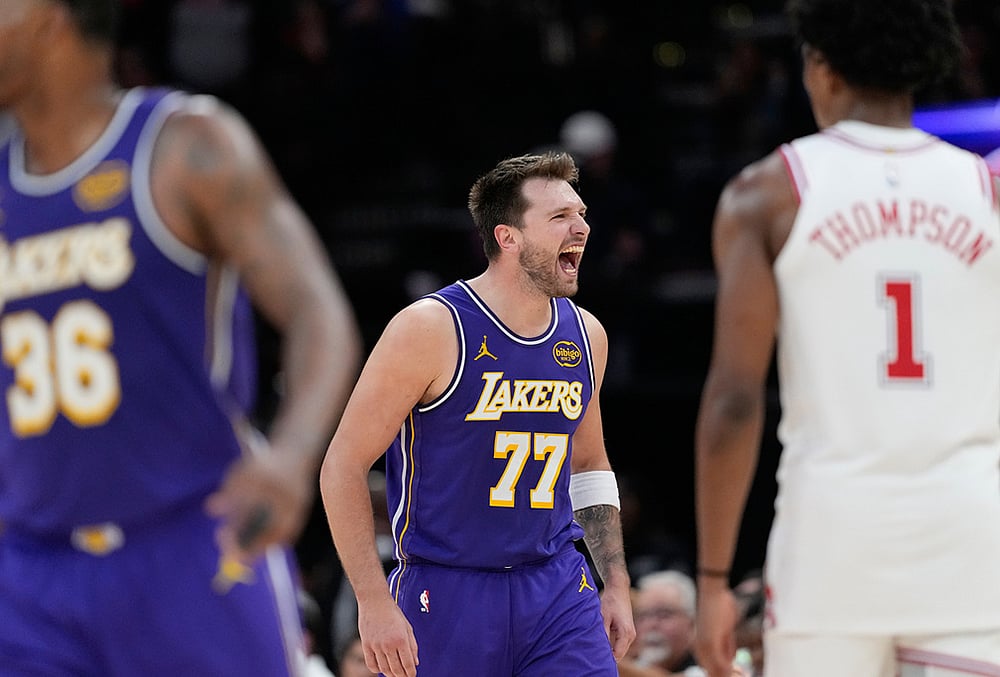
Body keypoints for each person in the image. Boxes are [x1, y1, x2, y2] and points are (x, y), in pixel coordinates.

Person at [0, 1, 362, 675]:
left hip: (189, 541)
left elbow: (318, 310)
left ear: (50, 18)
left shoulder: (184, 145)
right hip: (32, 567)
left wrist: (291, 457)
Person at [693, 1, 1000, 676]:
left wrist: (713, 580)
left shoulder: (766, 193)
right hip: (969, 538)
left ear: (821, 68)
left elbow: (735, 401)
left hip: (829, 544)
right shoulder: (988, 190)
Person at [320, 151, 634, 677]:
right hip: (448, 587)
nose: (581, 228)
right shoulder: (430, 327)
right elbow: (343, 466)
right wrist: (372, 602)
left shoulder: (586, 334)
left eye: (580, 214)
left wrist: (617, 583)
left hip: (557, 586)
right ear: (507, 237)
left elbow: (589, 463)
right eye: (560, 217)